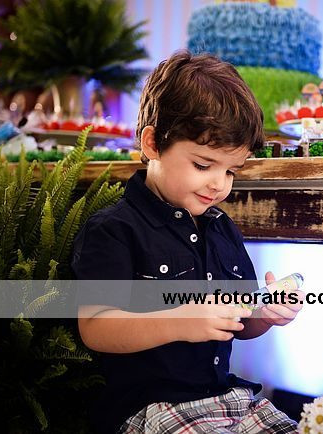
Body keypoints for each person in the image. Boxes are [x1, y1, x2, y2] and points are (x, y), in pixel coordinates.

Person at [71, 50, 304, 433]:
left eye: (231, 171)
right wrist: (179, 320)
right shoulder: (114, 230)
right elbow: (96, 328)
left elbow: (239, 322)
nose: (219, 184)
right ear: (152, 144)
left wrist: (265, 314)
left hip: (229, 400)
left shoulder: (223, 229)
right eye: (203, 165)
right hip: (150, 410)